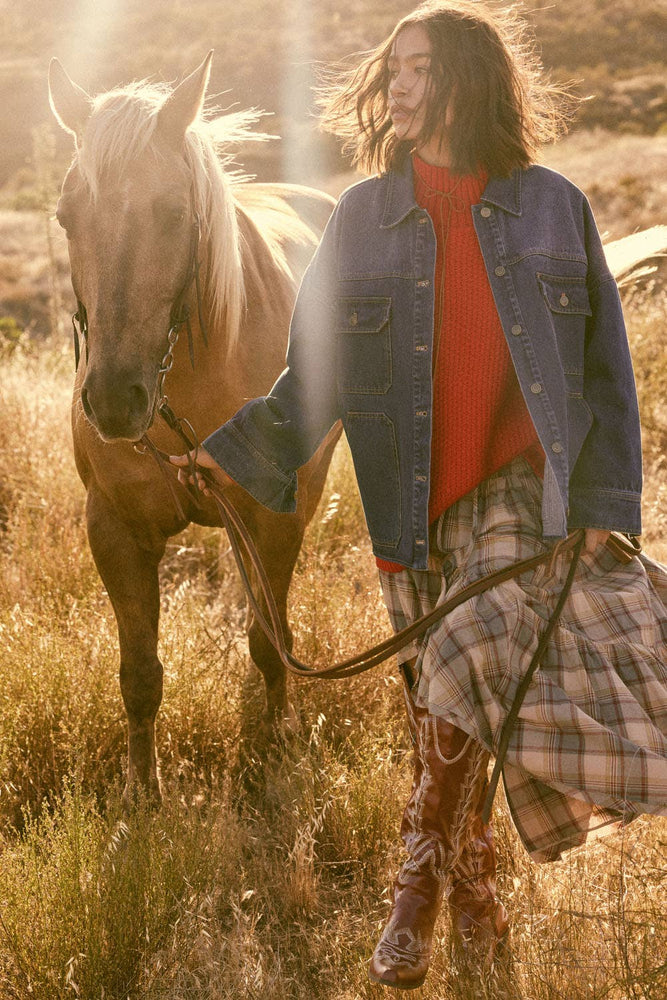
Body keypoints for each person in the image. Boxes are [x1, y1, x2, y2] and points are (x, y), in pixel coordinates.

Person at [171, 0, 667, 989]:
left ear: (470, 80)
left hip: (522, 493)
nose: (394, 83)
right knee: (456, 704)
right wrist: (237, 453)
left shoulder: (551, 205)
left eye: (418, 67)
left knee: (471, 654)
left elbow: (605, 369)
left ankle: (413, 890)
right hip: (409, 506)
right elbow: (314, 371)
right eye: (389, 68)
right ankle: (478, 904)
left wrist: (605, 503)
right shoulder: (362, 215)